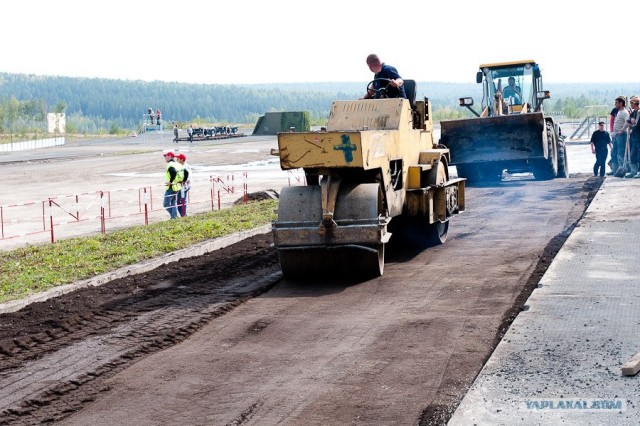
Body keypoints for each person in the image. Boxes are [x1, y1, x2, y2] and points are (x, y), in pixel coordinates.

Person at [609, 96, 629, 175]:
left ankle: (621, 169)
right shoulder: (619, 111)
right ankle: (614, 169)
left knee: (621, 152)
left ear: (621, 103)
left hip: (621, 135)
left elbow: (628, 121)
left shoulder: (624, 112)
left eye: (616, 103)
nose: (615, 104)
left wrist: (622, 130)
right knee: (614, 152)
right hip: (616, 135)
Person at [163, 150, 183, 219]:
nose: (165, 157)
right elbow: (184, 173)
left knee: (166, 204)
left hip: (171, 187)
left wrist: (170, 182)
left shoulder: (170, 164)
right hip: (177, 187)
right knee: (173, 203)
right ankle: (174, 217)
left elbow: (174, 172)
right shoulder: (178, 164)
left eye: (166, 156)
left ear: (170, 156)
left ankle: (174, 217)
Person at [624, 96, 640, 178]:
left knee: (639, 155)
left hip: (639, 137)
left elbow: (636, 125)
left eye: (631, 103)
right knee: (633, 154)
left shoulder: (639, 113)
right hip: (634, 138)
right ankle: (634, 171)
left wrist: (632, 125)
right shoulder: (633, 112)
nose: (630, 105)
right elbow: (628, 120)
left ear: (635, 103)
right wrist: (630, 122)